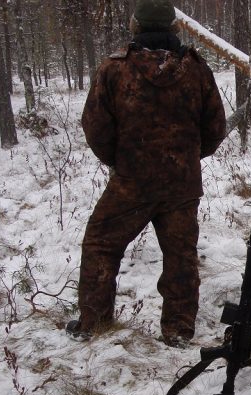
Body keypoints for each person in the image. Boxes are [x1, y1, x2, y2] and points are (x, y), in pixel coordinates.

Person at [66, 0, 226, 347]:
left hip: (131, 183)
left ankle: (93, 322)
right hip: (181, 183)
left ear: (136, 27)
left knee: (101, 243)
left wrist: (123, 161)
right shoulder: (196, 70)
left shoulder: (114, 70)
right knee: (181, 256)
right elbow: (215, 127)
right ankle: (179, 331)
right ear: (174, 28)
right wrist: (184, 158)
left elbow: (95, 127)